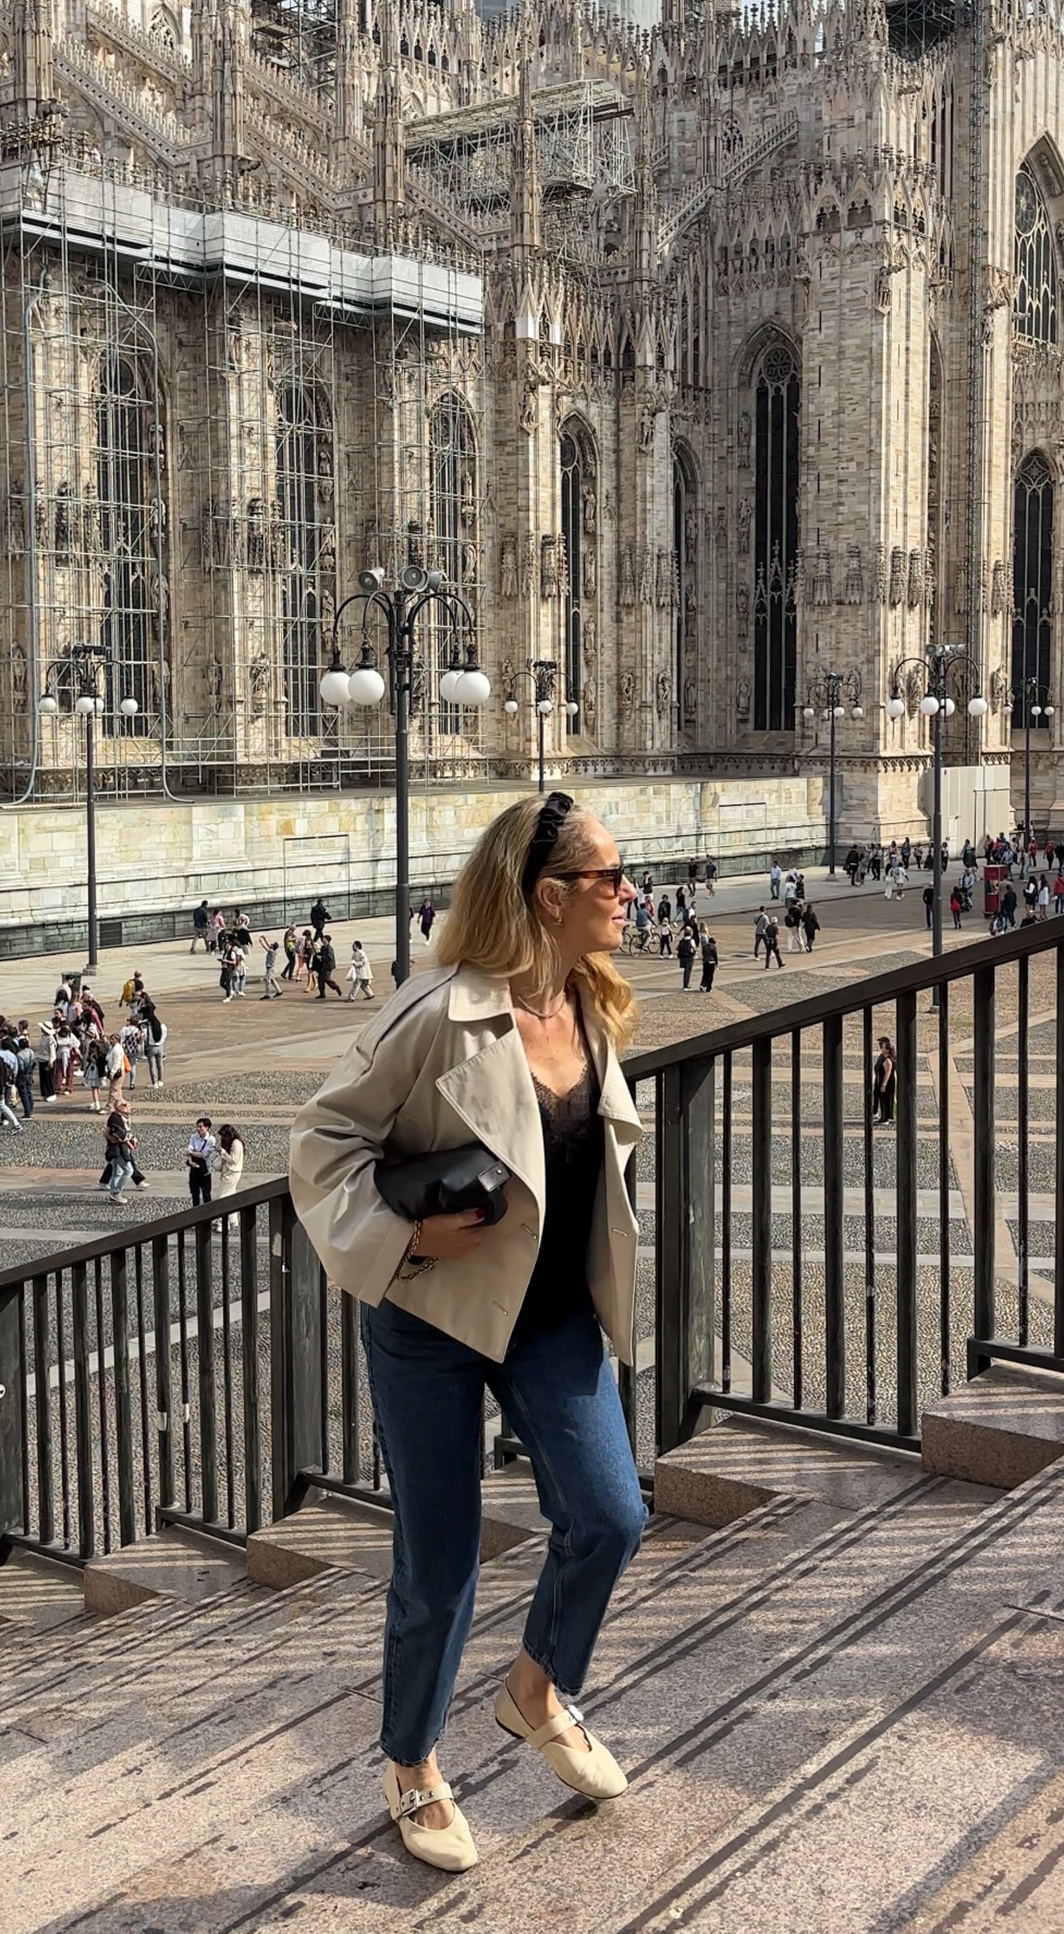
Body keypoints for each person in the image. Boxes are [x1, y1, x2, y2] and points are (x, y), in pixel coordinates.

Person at [290, 792, 648, 1874]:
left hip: (548, 1319)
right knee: (439, 1558)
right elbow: (321, 1142)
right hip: (431, 1321)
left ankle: (535, 1688)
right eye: (608, 879)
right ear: (548, 896)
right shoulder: (438, 1012)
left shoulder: (593, 1005)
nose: (628, 894)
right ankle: (411, 1764)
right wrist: (404, 1242)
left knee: (612, 1513)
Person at [186, 1117, 216, 1205]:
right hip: (194, 1169)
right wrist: (190, 1161)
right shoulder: (194, 1137)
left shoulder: (211, 1140)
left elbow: (204, 1154)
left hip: (205, 1170)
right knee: (194, 1193)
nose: (198, 1129)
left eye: (200, 1127)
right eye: (197, 1127)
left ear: (207, 1127)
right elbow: (189, 1150)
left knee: (206, 1194)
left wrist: (191, 1152)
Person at [215, 1124, 246, 1200]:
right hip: (229, 1171)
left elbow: (234, 1160)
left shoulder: (236, 1143)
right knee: (229, 1195)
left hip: (232, 1172)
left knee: (223, 1195)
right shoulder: (233, 1143)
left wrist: (223, 1152)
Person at [872, 1037, 896, 1125]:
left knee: (885, 1100)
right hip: (880, 1081)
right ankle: (882, 1116)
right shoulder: (883, 1057)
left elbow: (887, 1073)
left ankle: (885, 1118)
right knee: (881, 1098)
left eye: (882, 1046)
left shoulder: (887, 1060)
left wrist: (884, 1085)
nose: (881, 1048)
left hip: (886, 1083)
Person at [143, 1009, 167, 1088]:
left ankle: (154, 1082)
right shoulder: (162, 1026)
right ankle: (160, 1080)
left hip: (152, 1047)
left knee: (152, 1065)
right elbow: (164, 1035)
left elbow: (145, 1038)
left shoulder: (148, 1029)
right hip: (160, 1046)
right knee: (160, 1064)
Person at [314, 934, 339, 999]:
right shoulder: (323, 947)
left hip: (328, 966)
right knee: (320, 980)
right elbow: (321, 953)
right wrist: (317, 954)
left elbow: (329, 957)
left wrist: (322, 957)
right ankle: (322, 993)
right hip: (323, 966)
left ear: (327, 940)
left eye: (324, 939)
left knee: (326, 978)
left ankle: (335, 986)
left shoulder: (329, 948)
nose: (322, 940)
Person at [676, 924, 697, 989]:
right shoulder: (691, 940)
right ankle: (686, 985)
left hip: (683, 957)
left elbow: (677, 948)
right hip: (689, 957)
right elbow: (694, 948)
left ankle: (685, 984)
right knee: (688, 972)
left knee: (685, 971)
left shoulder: (682, 940)